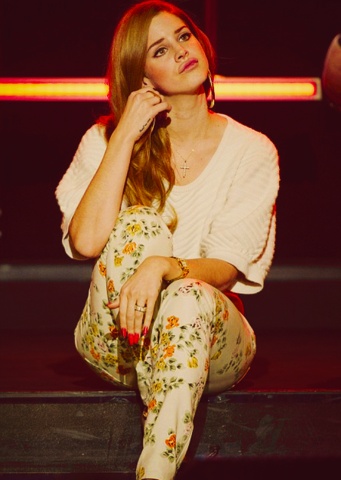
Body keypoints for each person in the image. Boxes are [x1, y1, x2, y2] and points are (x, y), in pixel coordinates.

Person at [55, 1, 280, 478]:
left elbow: (228, 266)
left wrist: (163, 268)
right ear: (141, 76)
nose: (182, 51)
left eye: (184, 36)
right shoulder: (102, 139)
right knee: (141, 226)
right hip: (117, 343)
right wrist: (124, 138)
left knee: (189, 296)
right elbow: (89, 240)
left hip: (210, 340)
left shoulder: (252, 149)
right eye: (161, 48)